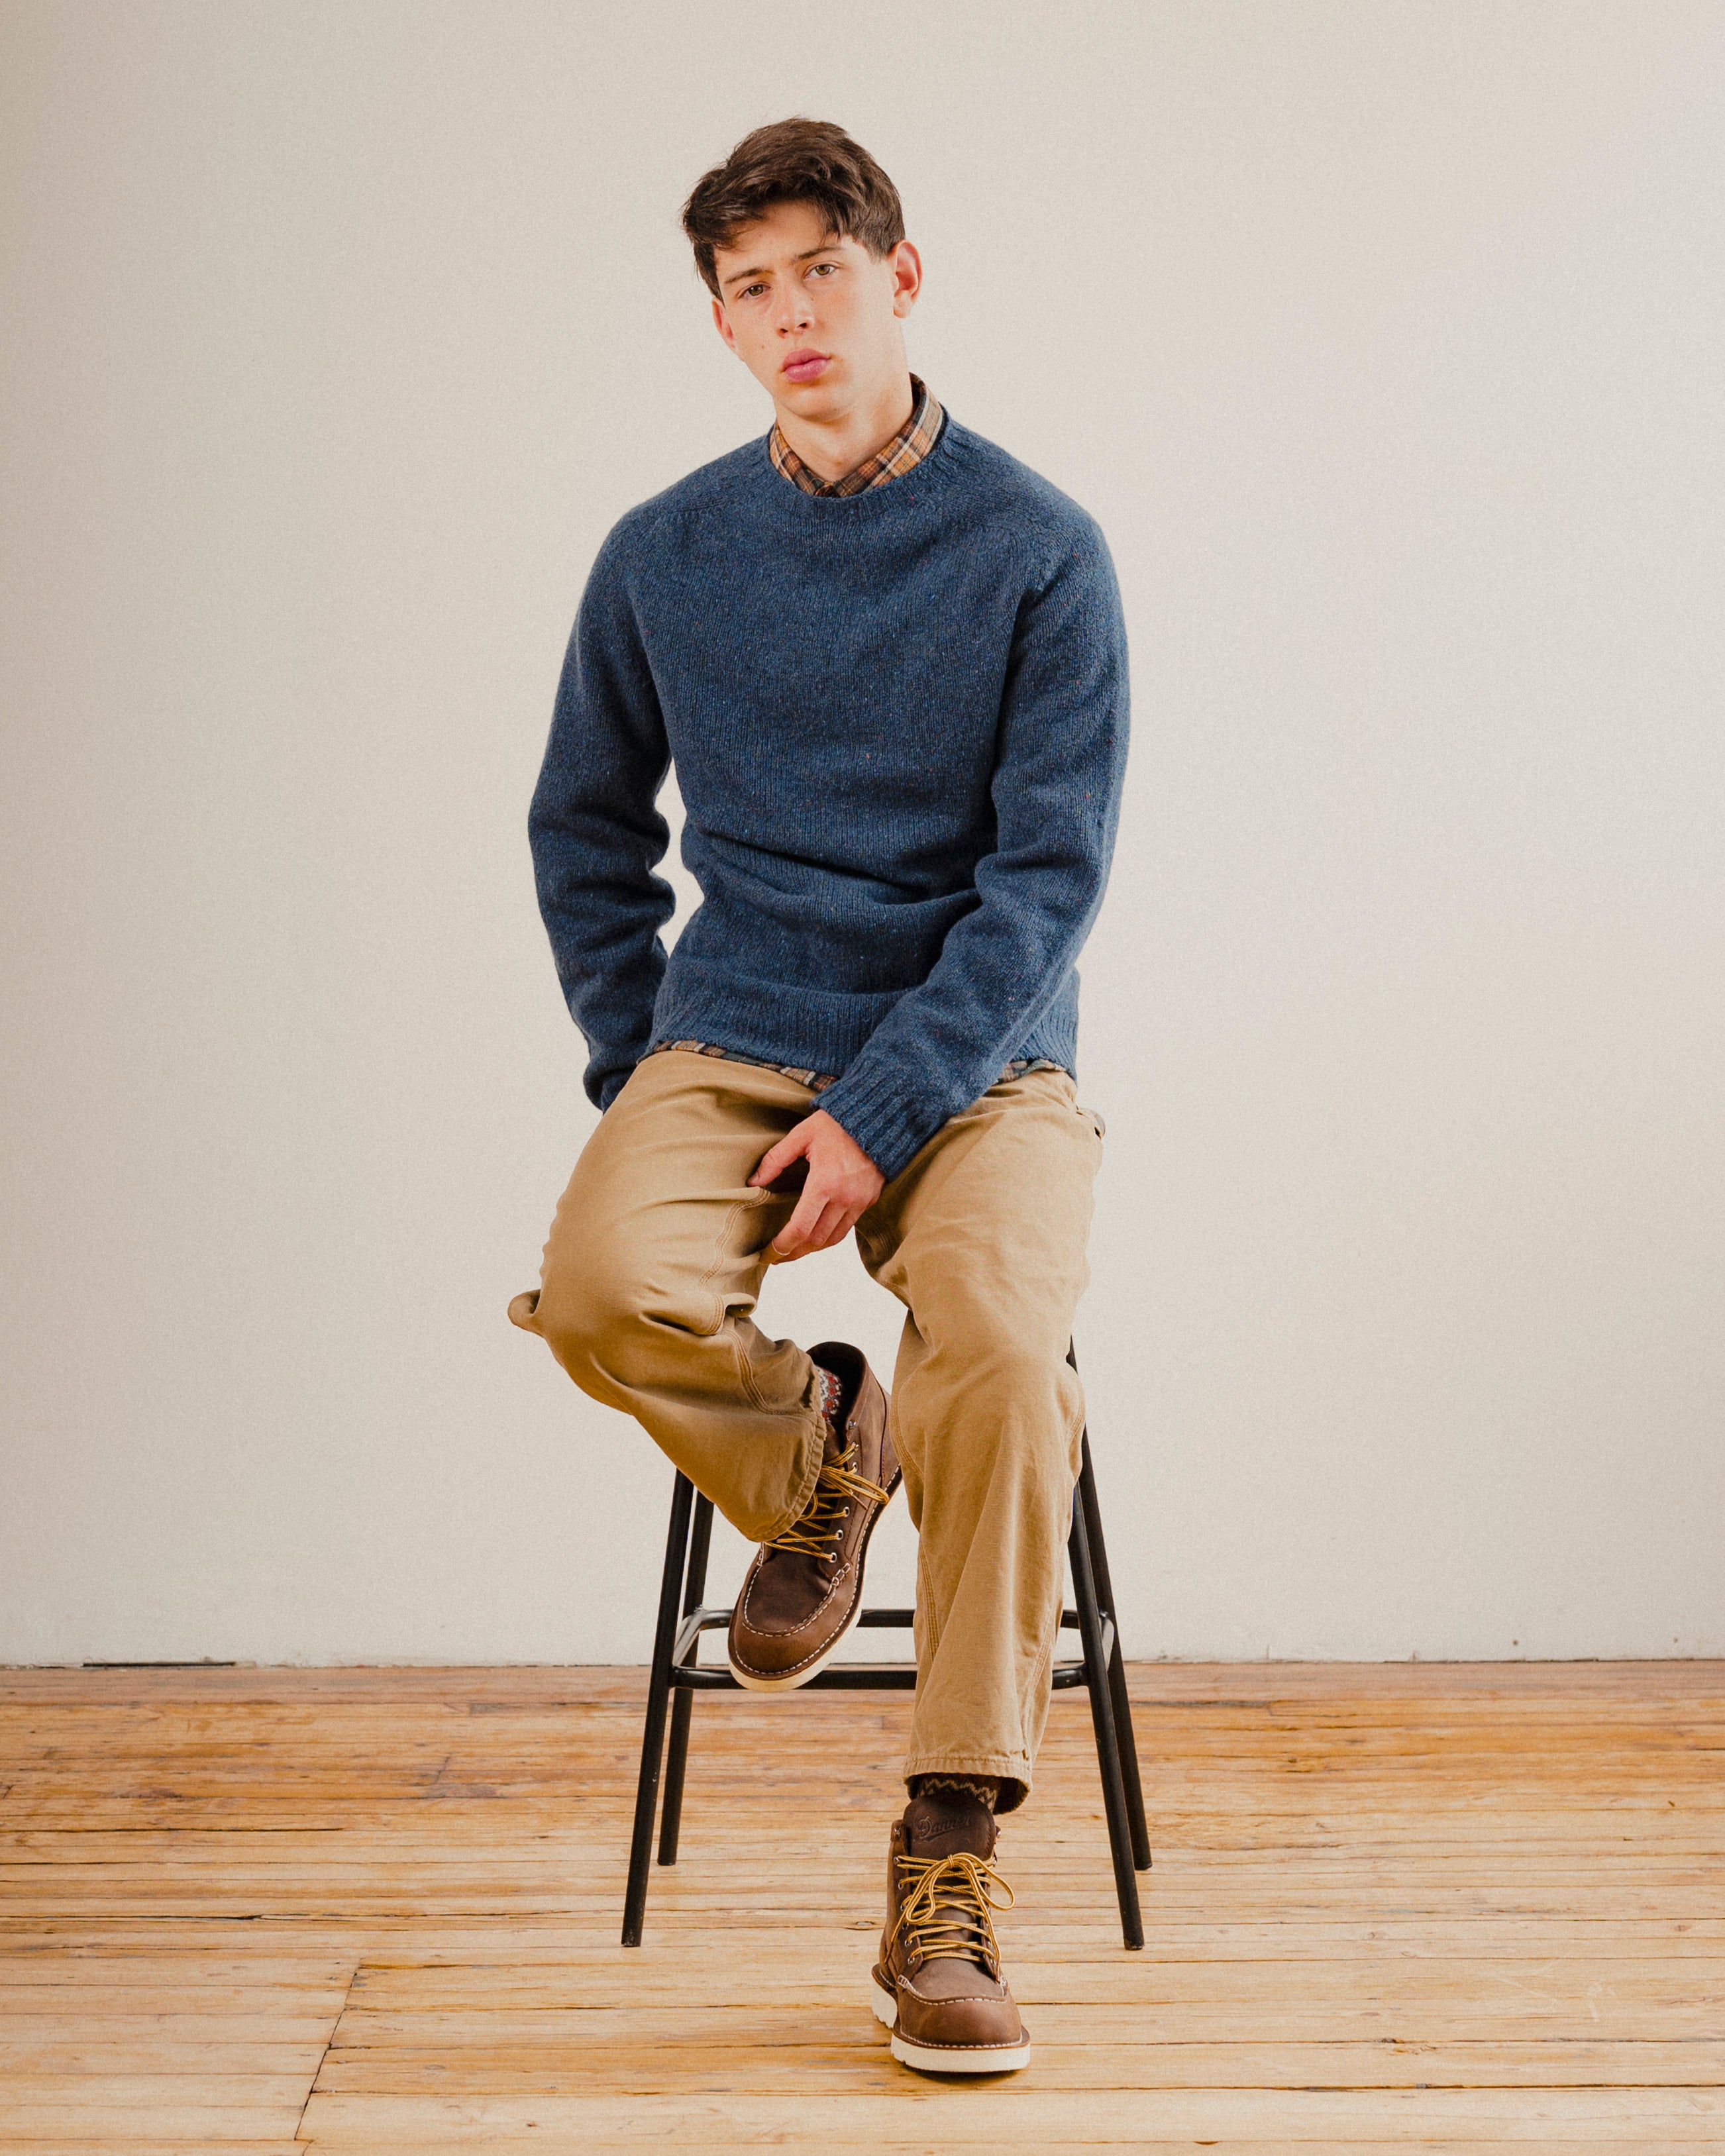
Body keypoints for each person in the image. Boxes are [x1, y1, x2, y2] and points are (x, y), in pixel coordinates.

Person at [509, 115, 1129, 2075]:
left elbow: (1045, 886)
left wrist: (877, 1111)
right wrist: (642, 1068)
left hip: (979, 1056)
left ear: (901, 279)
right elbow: (582, 826)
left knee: (1009, 1357)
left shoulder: (1038, 551)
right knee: (603, 1288)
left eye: (819, 275)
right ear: (720, 319)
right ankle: (820, 1457)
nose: (789, 316)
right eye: (747, 289)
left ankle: (947, 1860)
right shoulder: (663, 553)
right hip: (732, 1026)